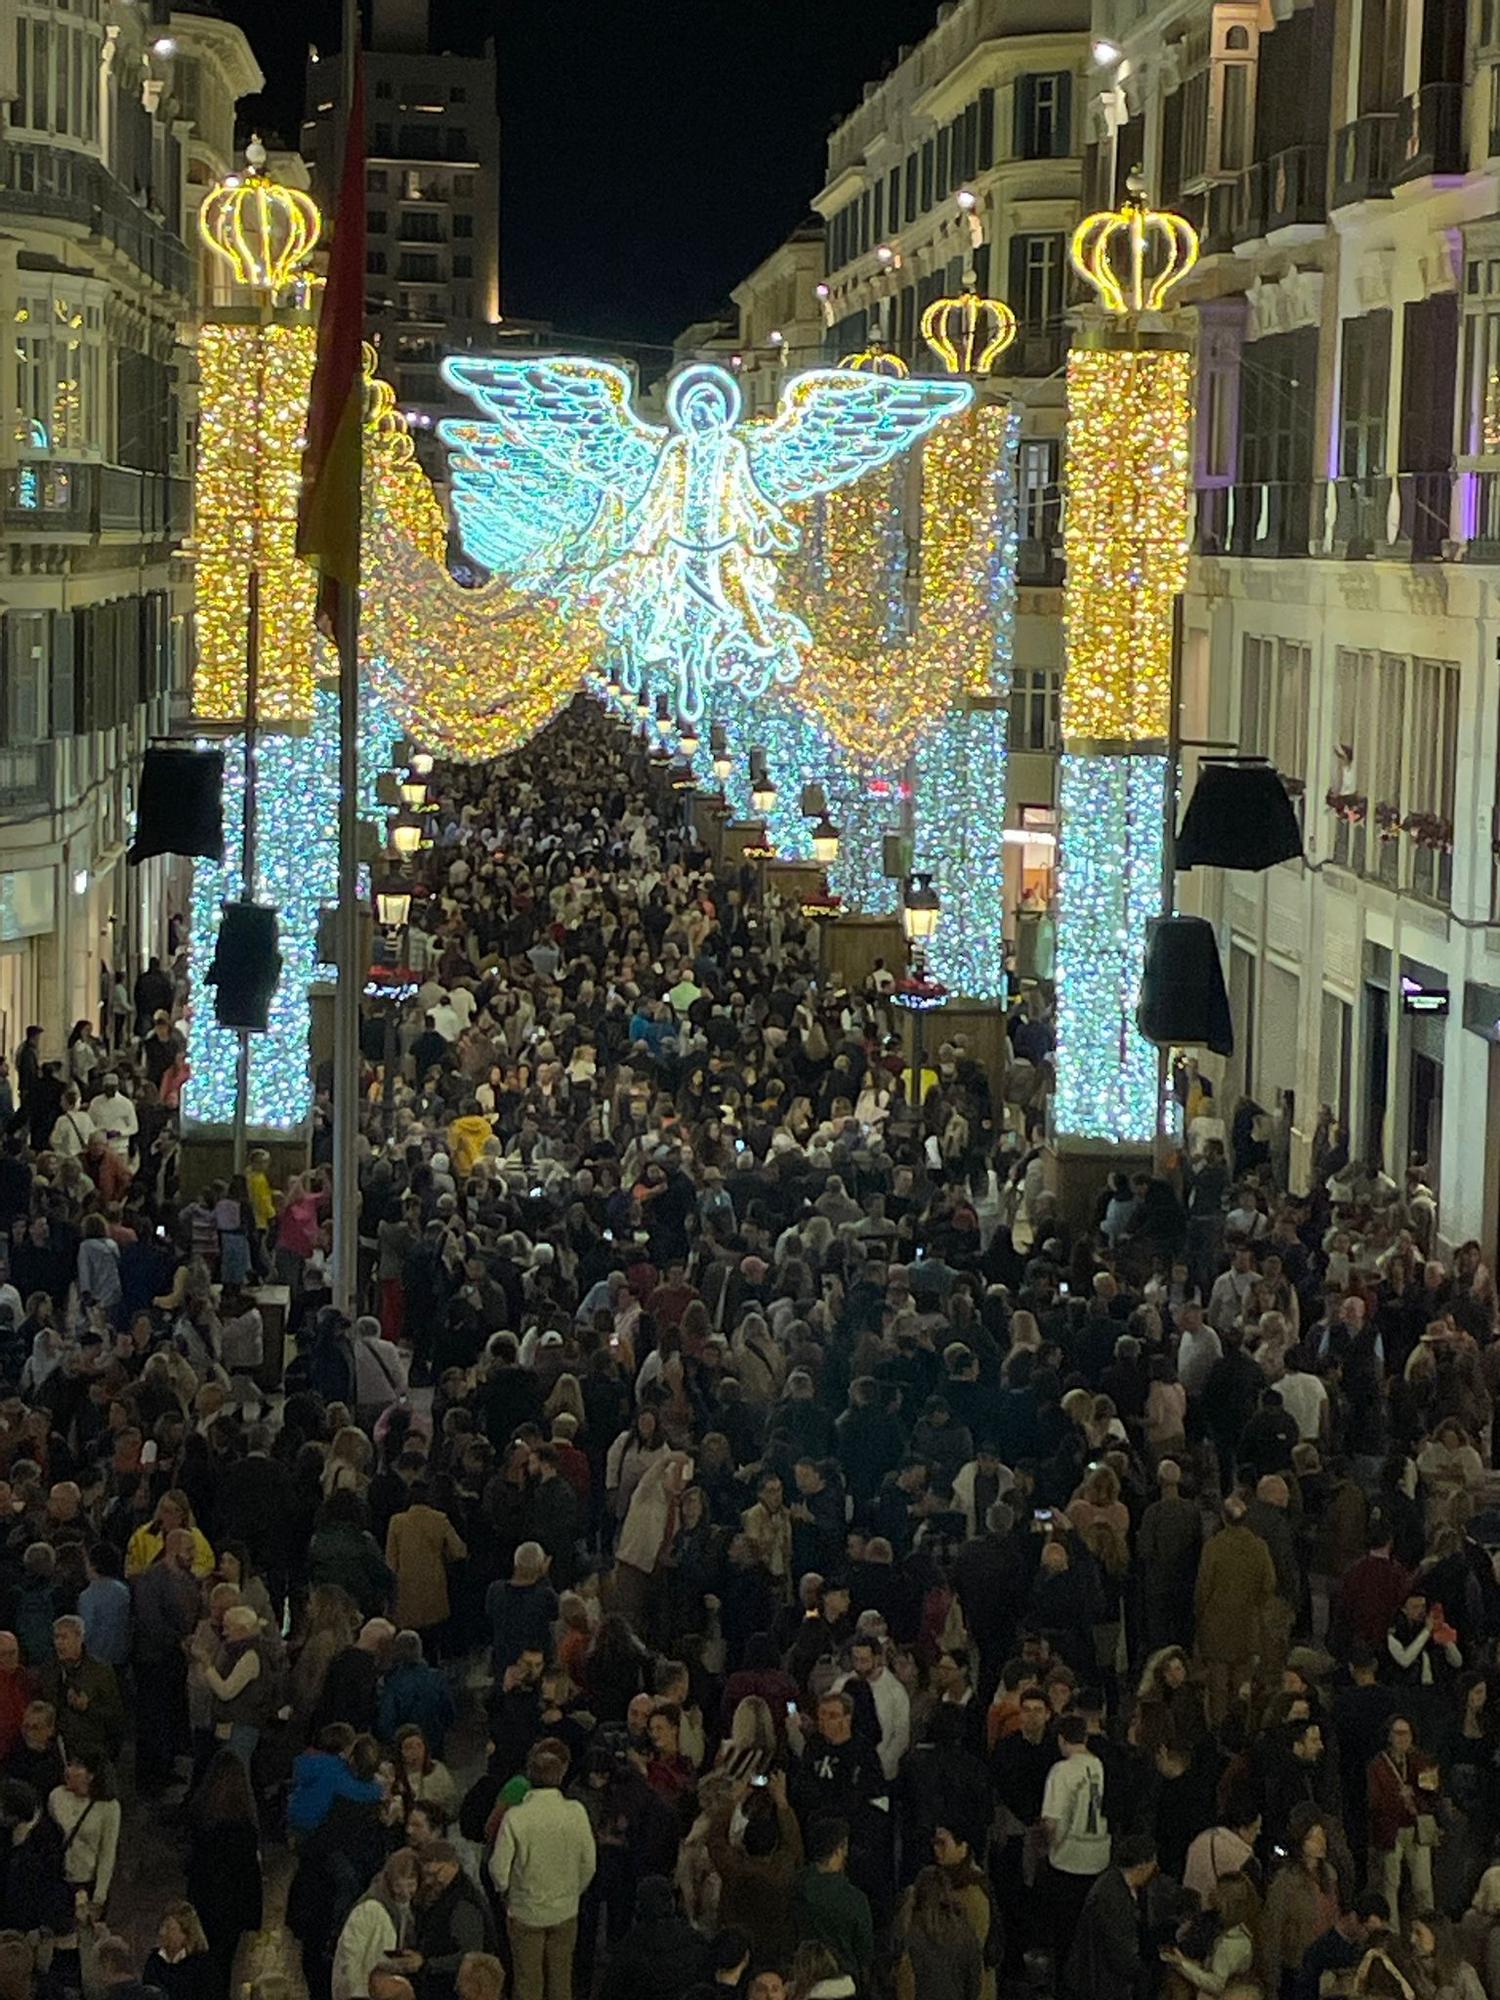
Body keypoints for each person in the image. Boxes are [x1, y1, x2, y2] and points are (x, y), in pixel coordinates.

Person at [489, 1743, 595, 2000]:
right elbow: (589, 1863)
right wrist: (573, 1891)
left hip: (526, 1911)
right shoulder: (576, 1812)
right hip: (565, 1910)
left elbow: (498, 1868)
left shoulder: (516, 1817)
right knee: (561, 1979)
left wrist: (506, 1894)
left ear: (530, 1775)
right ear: (560, 1776)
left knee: (527, 1982)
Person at [1060, 1831, 1157, 2000]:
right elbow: (1120, 1953)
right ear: (1142, 1866)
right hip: (1100, 1983)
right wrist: (1147, 1972)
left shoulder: (1117, 1884)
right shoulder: (1112, 1896)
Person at [790, 1817, 874, 1990]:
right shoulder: (854, 1899)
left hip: (802, 1977)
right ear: (840, 1848)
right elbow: (865, 1952)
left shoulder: (794, 1886)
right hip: (843, 1981)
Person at [331, 1849, 420, 2000]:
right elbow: (351, 1956)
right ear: (389, 1882)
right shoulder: (369, 1909)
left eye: (411, 1885)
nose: (405, 1892)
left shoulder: (407, 1910)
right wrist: (356, 1994)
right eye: (399, 1886)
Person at [143, 1904, 216, 2000]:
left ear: (186, 1934)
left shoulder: (202, 1965)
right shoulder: (154, 1961)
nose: (162, 1932)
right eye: (162, 1926)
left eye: (169, 1928)